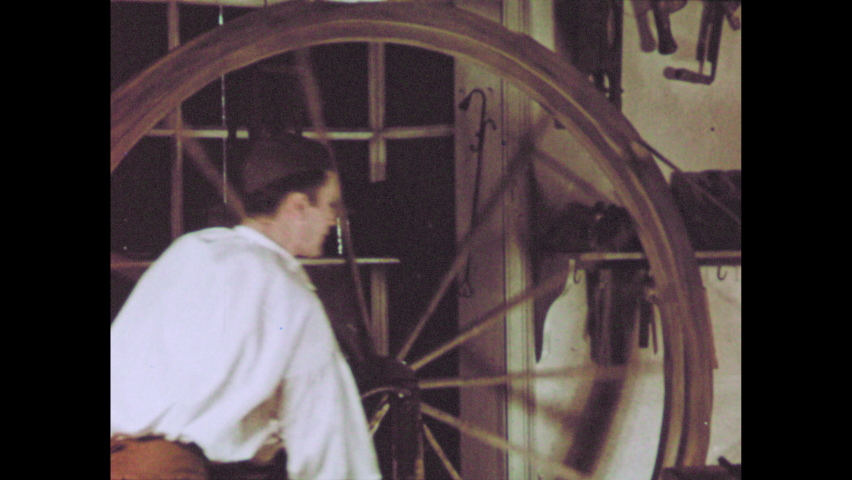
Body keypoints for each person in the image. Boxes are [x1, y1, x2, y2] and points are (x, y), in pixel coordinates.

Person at [110, 134, 381, 480]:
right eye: (330, 205)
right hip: (172, 470)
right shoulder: (289, 294)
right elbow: (325, 430)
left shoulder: (192, 252)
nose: (334, 220)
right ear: (297, 207)